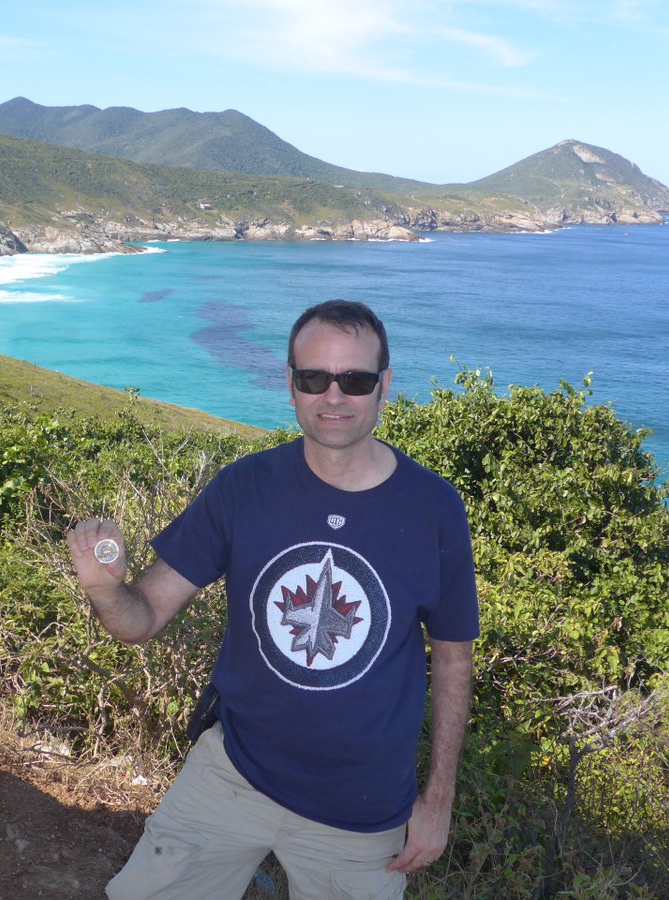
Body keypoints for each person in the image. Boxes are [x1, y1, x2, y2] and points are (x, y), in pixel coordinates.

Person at [67, 300, 478, 899]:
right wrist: (107, 589)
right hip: (233, 772)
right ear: (291, 386)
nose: (333, 397)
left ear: (384, 386)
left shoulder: (434, 508)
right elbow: (143, 617)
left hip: (361, 810)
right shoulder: (245, 486)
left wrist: (437, 798)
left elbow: (452, 658)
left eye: (355, 380)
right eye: (314, 378)